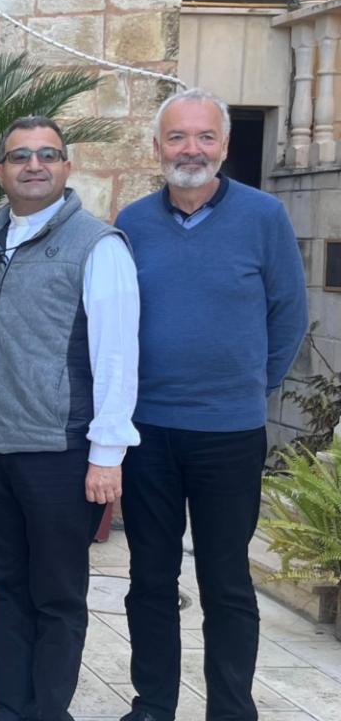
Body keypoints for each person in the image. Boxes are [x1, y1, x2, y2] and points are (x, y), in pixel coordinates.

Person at [115, 90, 307, 721]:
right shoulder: (133, 222)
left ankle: (231, 708)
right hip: (149, 434)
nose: (190, 149)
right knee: (149, 579)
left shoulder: (265, 216)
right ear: (156, 149)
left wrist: (251, 388)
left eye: (203, 137)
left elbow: (288, 315)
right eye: (177, 138)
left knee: (226, 582)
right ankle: (153, 705)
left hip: (229, 433)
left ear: (223, 146)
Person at [0, 117, 140, 721]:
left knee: (57, 594)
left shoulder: (97, 245)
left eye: (48, 155)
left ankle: (47, 711)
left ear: (66, 167)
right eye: (20, 156)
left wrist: (106, 455)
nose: (34, 165)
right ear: (1, 172)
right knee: (7, 587)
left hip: (58, 451)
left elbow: (117, 353)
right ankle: (10, 706)